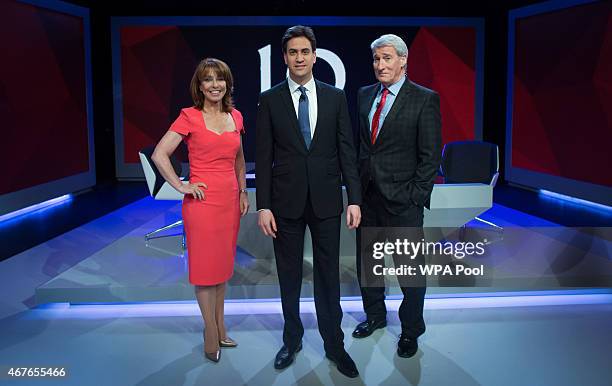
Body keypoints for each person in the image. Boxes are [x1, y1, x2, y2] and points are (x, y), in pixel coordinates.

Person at [255, 25, 362, 378]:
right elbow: (264, 155)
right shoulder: (270, 99)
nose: (299, 58)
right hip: (285, 203)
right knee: (288, 276)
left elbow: (347, 150)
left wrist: (354, 199)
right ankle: (292, 340)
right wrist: (264, 205)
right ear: (284, 57)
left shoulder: (334, 97)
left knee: (328, 276)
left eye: (304, 52)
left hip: (328, 200)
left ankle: (335, 344)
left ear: (314, 56)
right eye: (292, 52)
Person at [152, 58, 249, 363]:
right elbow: (159, 154)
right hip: (202, 204)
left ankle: (221, 326)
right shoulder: (189, 117)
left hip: (230, 202)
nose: (214, 85)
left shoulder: (236, 116)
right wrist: (181, 186)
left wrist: (243, 190)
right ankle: (209, 330)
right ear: (200, 85)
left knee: (221, 270)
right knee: (206, 272)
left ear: (227, 83)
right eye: (208, 80)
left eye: (219, 79)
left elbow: (239, 161)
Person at [352, 34, 442, 358]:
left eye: (387, 58)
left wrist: (416, 196)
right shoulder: (364, 96)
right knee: (370, 266)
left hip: (403, 201)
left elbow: (430, 156)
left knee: (411, 273)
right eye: (376, 59)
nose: (380, 65)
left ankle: (410, 330)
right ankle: (375, 315)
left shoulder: (424, 99)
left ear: (403, 61)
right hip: (368, 198)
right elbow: (363, 147)